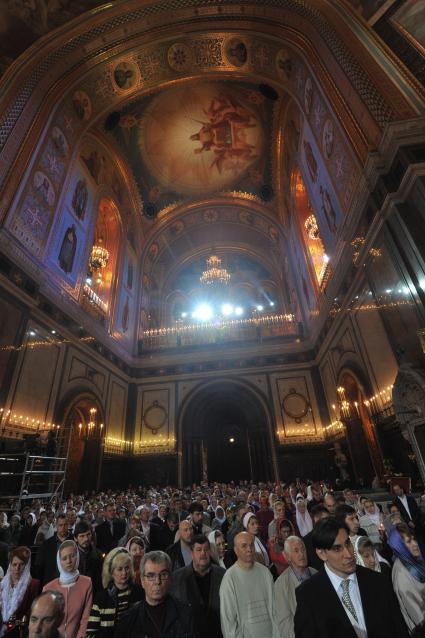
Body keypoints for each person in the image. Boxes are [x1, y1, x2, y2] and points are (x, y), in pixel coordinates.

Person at [293, 517, 409, 638]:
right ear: (321, 554)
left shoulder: (379, 581)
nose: (348, 554)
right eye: (337, 549)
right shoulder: (308, 595)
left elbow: (399, 630)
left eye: (348, 543)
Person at [115, 551, 196, 637]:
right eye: (151, 576)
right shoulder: (129, 619)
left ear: (170, 579)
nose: (157, 581)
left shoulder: (186, 614)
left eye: (163, 574)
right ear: (142, 581)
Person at [219, 532, 279, 638]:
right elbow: (228, 622)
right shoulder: (229, 579)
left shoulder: (265, 572)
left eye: (251, 545)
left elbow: (275, 610)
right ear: (236, 551)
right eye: (244, 546)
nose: (249, 549)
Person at [169, 534, 225, 638]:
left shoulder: (223, 575)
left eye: (206, 549)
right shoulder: (177, 578)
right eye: (199, 550)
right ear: (192, 553)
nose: (203, 553)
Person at [86, 547, 143, 637]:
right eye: (119, 569)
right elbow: (90, 633)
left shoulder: (139, 592)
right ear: (111, 572)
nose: (124, 573)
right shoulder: (101, 597)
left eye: (127, 568)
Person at [43, 540, 92, 638]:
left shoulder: (86, 583)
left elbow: (86, 618)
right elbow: (45, 622)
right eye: (64, 558)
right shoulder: (48, 588)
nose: (69, 561)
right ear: (59, 561)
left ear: (77, 556)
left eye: (72, 556)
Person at [274, 536, 317, 638]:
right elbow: (284, 623)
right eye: (296, 551)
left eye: (303, 549)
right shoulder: (281, 584)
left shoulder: (316, 574)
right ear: (287, 556)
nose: (301, 554)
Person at [388, 523, 425, 634]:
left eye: (413, 539)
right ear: (398, 545)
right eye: (409, 541)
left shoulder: (412, 562)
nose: (415, 544)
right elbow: (420, 618)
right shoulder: (402, 575)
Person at [0, 546, 40, 636]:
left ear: (26, 566)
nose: (17, 568)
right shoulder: (1, 583)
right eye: (14, 564)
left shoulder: (33, 584)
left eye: (21, 564)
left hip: (18, 631)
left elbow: (31, 611)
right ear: (10, 565)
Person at [35, 515, 70, 586]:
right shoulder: (46, 544)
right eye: (60, 525)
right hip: (51, 583)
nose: (63, 527)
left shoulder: (74, 542)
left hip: (69, 582)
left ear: (68, 525)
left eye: (65, 525)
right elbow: (39, 566)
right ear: (56, 526)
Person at [74, 521, 103, 594]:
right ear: (75, 538)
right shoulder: (71, 556)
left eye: (88, 534)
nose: (86, 539)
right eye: (82, 536)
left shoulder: (98, 555)